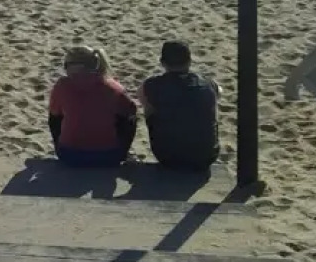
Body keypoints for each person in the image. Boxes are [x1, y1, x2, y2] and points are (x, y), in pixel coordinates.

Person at [48, 45, 137, 168]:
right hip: (109, 156)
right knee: (127, 118)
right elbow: (130, 112)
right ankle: (123, 152)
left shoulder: (62, 85)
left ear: (71, 66)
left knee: (57, 116)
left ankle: (64, 144)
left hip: (69, 155)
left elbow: (54, 117)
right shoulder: (113, 87)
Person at [141, 41, 220, 172]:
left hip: (167, 157)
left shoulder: (152, 85)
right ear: (190, 61)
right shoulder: (208, 84)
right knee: (209, 104)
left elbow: (142, 100)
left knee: (150, 104)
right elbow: (218, 94)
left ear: (162, 63)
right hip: (205, 157)